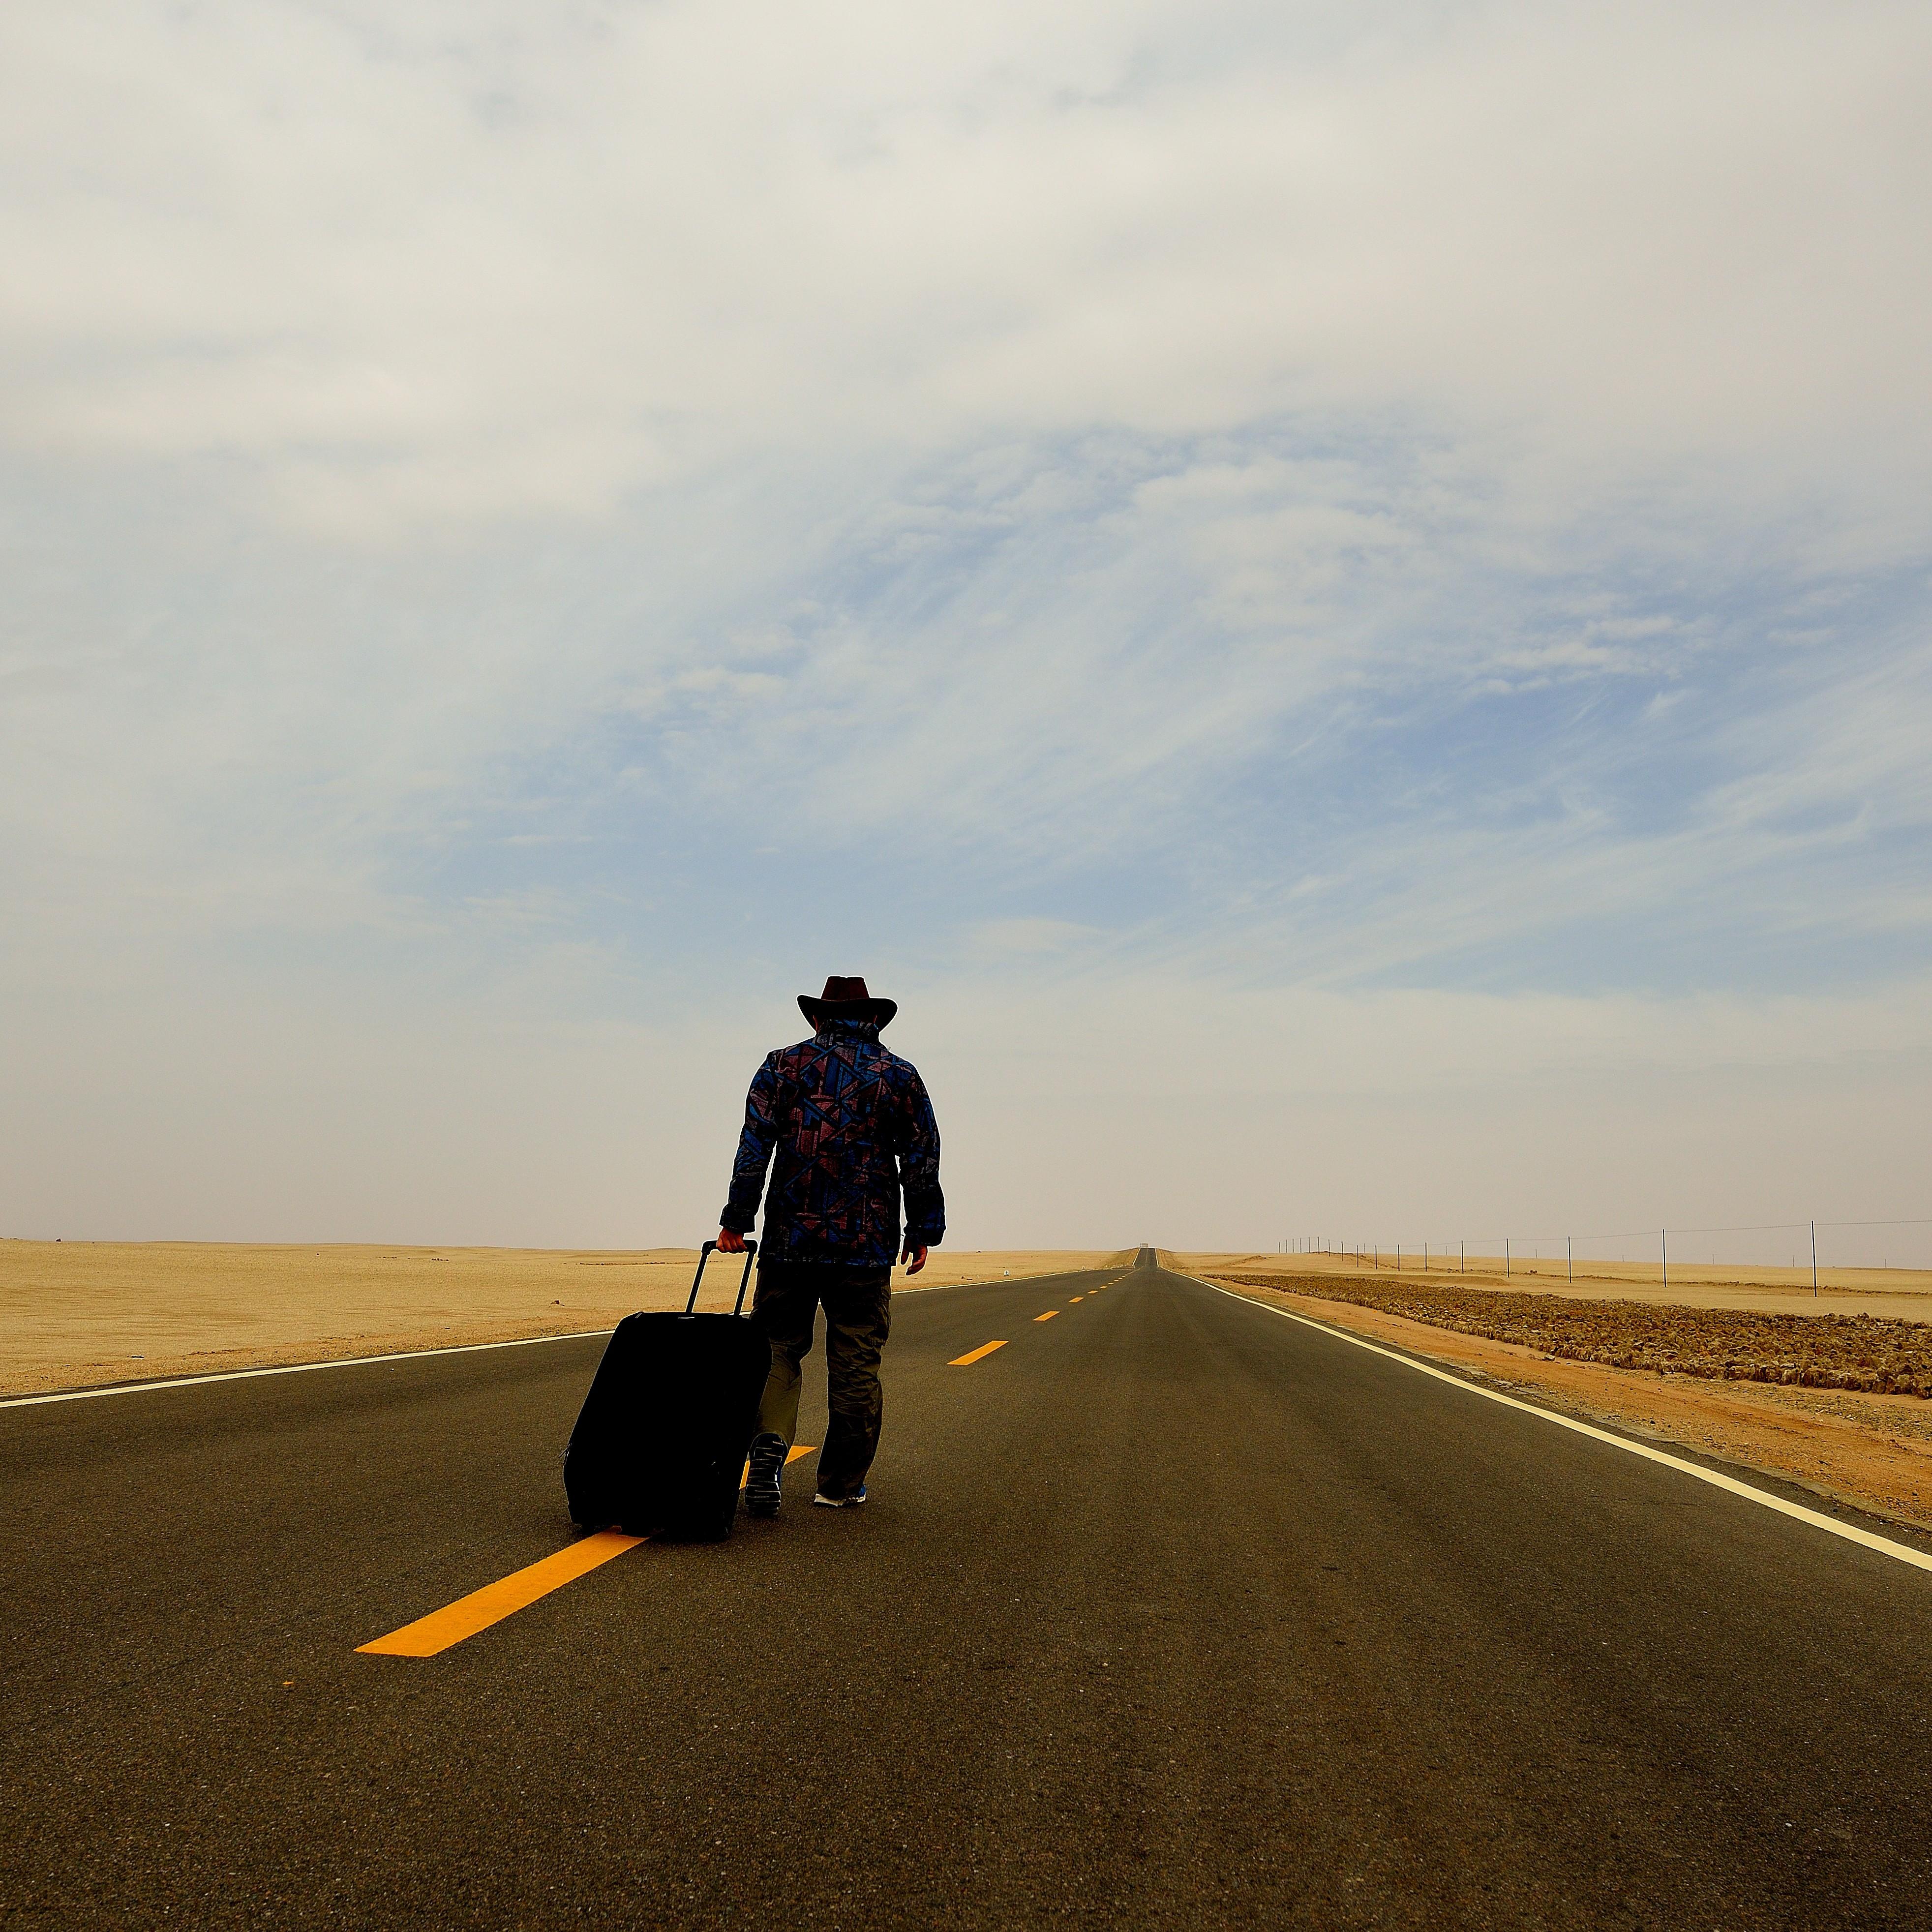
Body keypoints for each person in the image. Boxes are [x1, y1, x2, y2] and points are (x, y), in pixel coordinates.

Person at [718, 976, 945, 1515]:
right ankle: (839, 1485)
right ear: (873, 1020)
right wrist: (922, 1229)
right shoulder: (900, 1075)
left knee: (775, 1346)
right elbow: (922, 1156)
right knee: (856, 1360)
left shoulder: (781, 1065)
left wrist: (736, 1218)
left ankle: (770, 1443)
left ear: (818, 1018)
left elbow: (754, 1147)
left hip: (789, 1240)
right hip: (864, 1246)